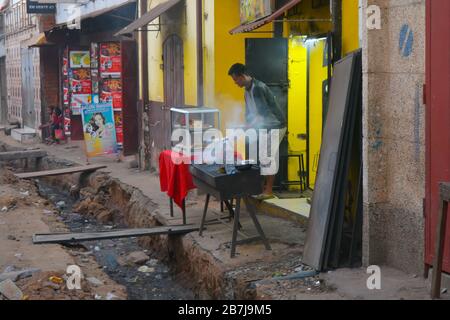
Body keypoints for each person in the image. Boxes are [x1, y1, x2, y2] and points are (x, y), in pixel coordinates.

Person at [228, 63, 287, 200]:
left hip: (275, 125)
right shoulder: (246, 91)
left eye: (236, 79)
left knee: (268, 157)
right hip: (265, 126)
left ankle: (268, 191)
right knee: (262, 156)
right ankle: (261, 189)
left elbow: (263, 114)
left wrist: (248, 127)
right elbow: (250, 113)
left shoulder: (258, 88)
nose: (235, 83)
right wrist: (244, 125)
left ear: (242, 76)